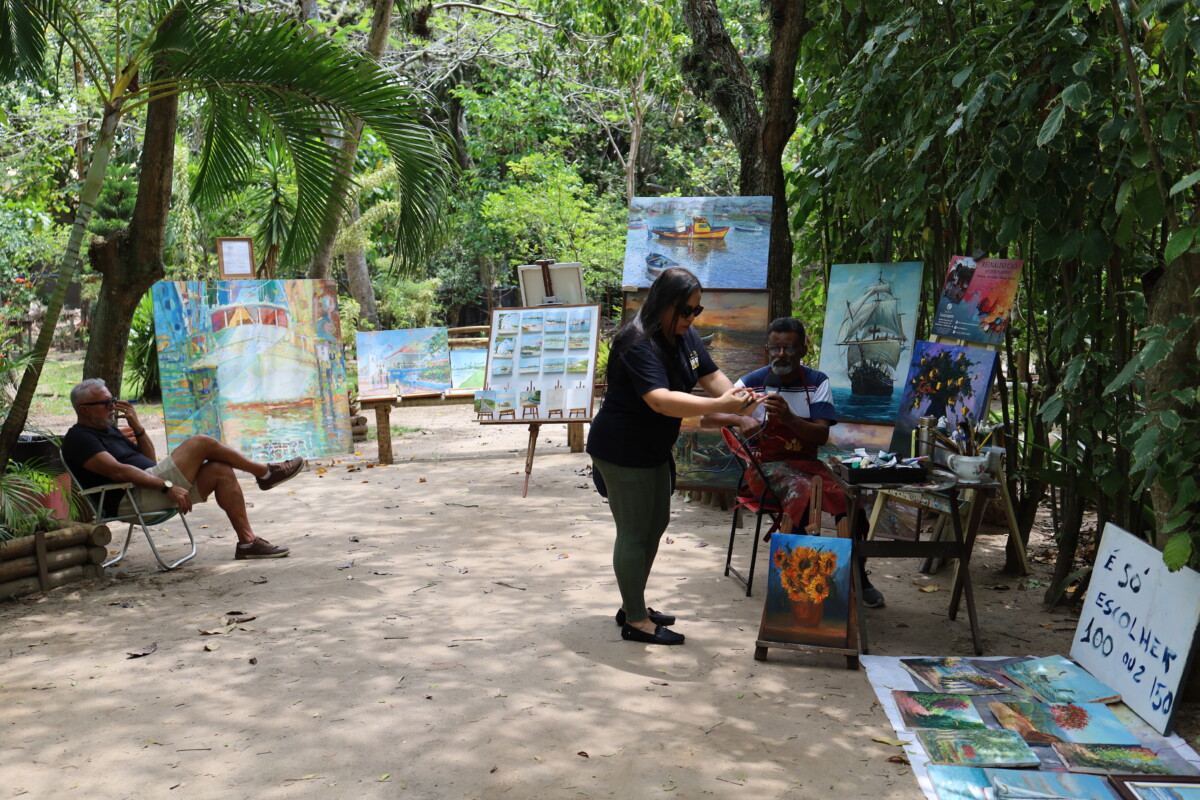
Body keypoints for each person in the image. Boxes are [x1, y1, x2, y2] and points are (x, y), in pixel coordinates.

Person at [587, 267, 764, 645]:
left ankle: (632, 604)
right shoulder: (636, 342)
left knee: (656, 524)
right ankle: (636, 621)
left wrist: (739, 398)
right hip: (621, 449)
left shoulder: (684, 336)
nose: (691, 318)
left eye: (697, 311)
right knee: (635, 531)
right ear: (664, 304)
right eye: (686, 310)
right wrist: (720, 405)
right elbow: (660, 400)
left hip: (652, 448)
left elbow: (710, 375)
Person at [701, 317, 886, 608]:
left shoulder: (816, 382)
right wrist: (739, 419)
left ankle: (857, 576)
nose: (781, 355)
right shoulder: (752, 382)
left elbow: (821, 436)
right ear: (767, 348)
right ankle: (800, 583)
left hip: (807, 463)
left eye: (789, 348)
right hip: (765, 467)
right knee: (804, 494)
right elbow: (707, 417)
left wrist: (789, 418)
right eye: (775, 348)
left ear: (803, 350)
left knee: (850, 501)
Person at [62, 378, 302, 560]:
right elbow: (118, 472)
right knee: (200, 442)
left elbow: (149, 461)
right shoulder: (79, 438)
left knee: (220, 470)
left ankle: (247, 543)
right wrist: (168, 486)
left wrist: (138, 428)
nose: (113, 406)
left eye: (113, 400)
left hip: (150, 487)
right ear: (84, 409)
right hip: (132, 497)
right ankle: (265, 473)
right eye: (106, 403)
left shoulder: (109, 430)